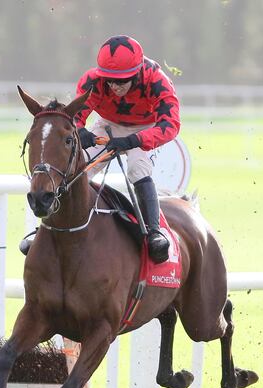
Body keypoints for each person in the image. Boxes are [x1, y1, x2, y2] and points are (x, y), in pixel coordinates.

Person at [74, 35, 181, 264]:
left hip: (145, 129)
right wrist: (79, 130)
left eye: (122, 81)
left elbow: (170, 125)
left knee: (137, 168)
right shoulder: (91, 80)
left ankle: (154, 233)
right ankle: (55, 226)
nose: (114, 86)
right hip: (107, 124)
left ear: (138, 72)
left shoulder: (157, 81)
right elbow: (74, 116)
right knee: (79, 164)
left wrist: (134, 140)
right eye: (109, 80)